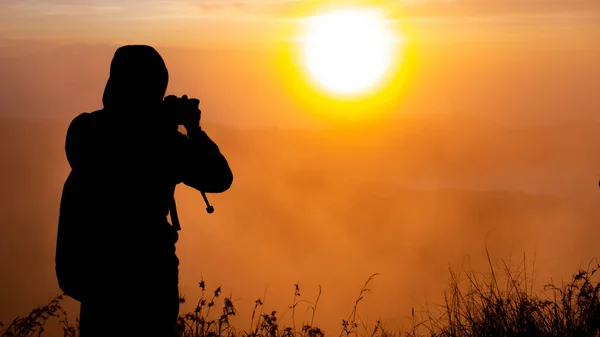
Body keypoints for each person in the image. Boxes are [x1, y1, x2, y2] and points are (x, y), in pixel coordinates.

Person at [55, 45, 233, 337]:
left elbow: (114, 142)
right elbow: (219, 177)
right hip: (149, 280)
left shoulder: (87, 129)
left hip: (97, 279)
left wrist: (158, 120)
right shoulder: (163, 143)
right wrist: (193, 128)